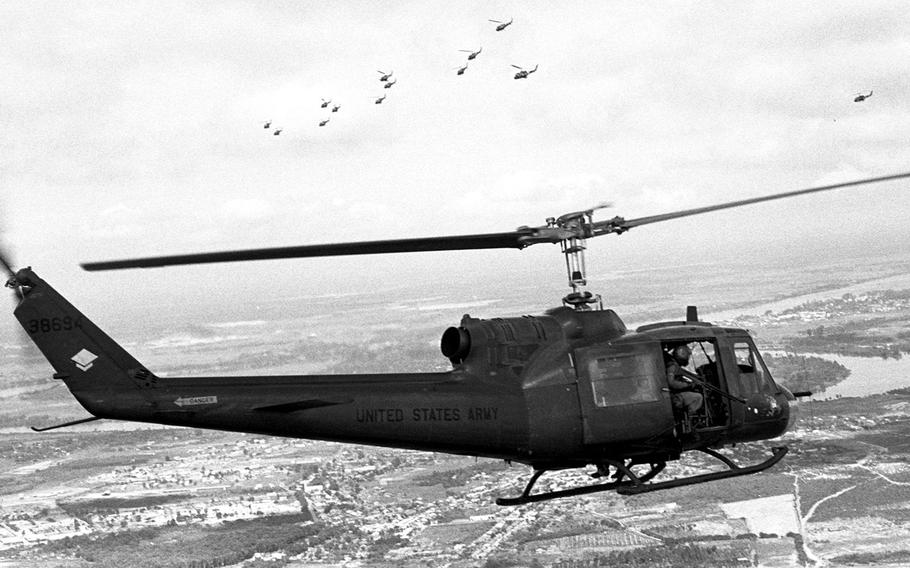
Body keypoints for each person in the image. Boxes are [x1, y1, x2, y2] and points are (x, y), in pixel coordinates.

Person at [665, 344, 704, 420]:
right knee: (698, 397)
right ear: (682, 354)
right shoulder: (672, 366)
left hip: (672, 395)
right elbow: (671, 383)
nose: (688, 358)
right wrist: (688, 385)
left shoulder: (675, 365)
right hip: (673, 396)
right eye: (687, 356)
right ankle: (689, 420)